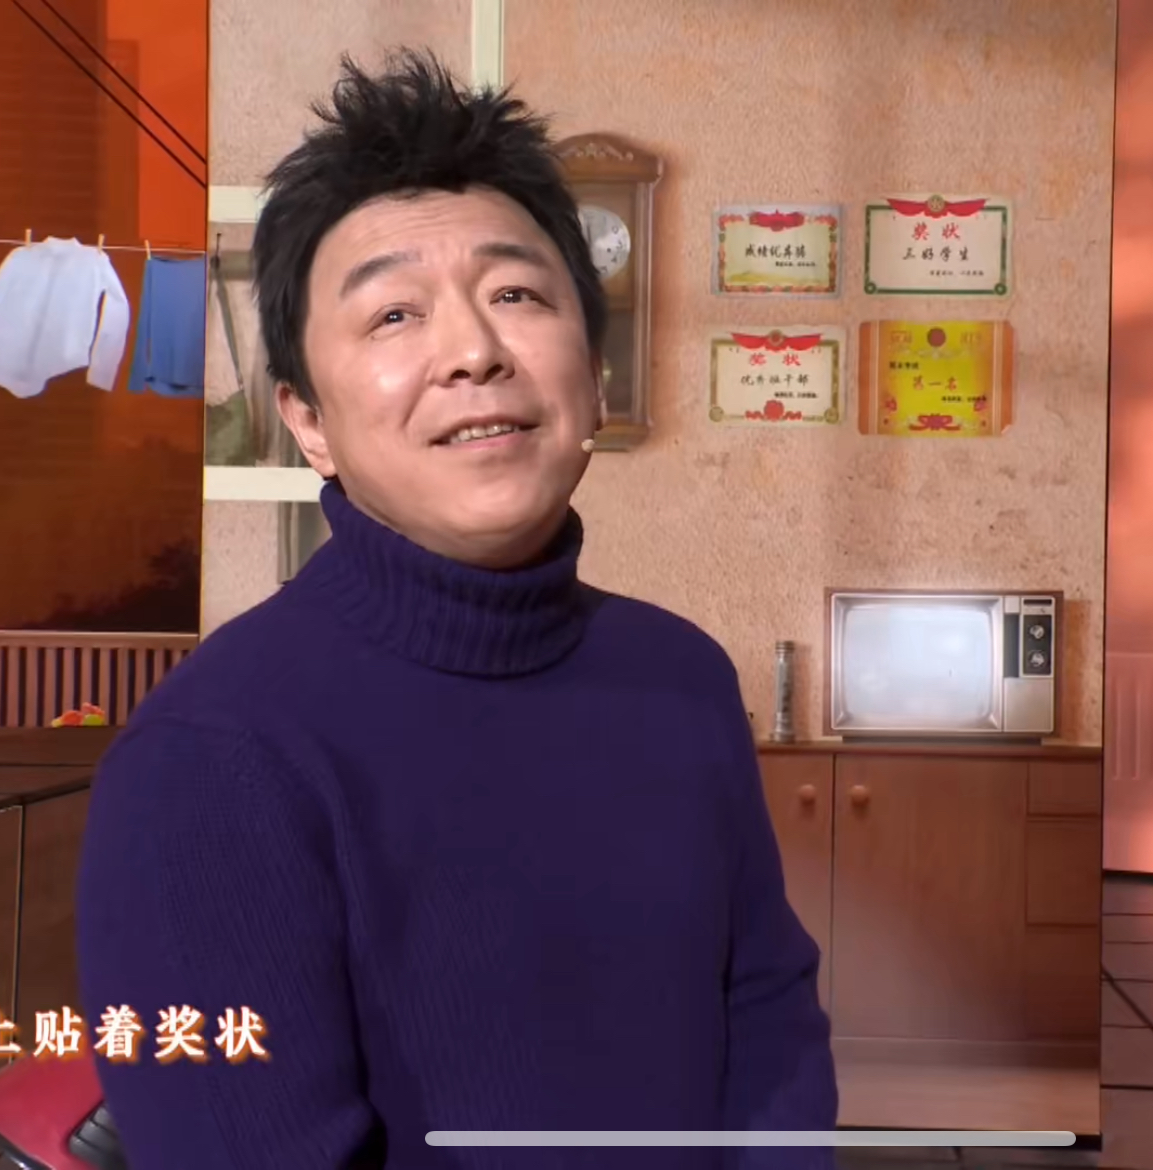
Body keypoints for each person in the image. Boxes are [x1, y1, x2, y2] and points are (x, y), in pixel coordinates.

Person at [73, 48, 837, 1169]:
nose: (473, 352)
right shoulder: (209, 758)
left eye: (516, 294)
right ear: (307, 421)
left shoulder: (680, 677)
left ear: (595, 376)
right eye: (393, 314)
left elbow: (765, 1014)